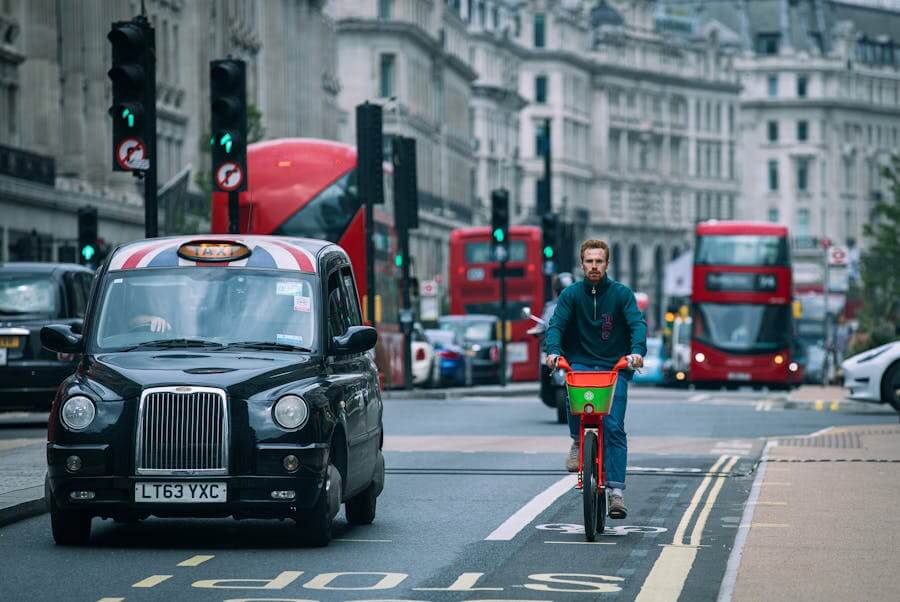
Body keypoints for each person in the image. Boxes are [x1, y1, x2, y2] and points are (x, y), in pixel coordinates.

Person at [543, 239, 647, 519]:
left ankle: (616, 493)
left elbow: (637, 324)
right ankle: (578, 442)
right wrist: (553, 352)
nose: (594, 266)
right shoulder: (571, 295)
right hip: (581, 363)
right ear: (582, 264)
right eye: (589, 261)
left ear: (607, 264)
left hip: (615, 366)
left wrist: (637, 352)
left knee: (614, 427)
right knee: (573, 396)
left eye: (599, 261)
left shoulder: (622, 294)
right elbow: (556, 325)